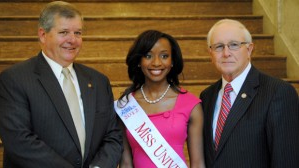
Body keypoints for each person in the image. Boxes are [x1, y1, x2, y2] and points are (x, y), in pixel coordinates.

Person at [0, 1, 122, 168]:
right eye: (64, 32)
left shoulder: (99, 81)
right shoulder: (14, 79)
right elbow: (19, 142)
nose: (72, 40)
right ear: (43, 35)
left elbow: (112, 136)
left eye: (77, 33)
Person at [200, 19, 299, 167]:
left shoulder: (278, 92)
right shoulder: (207, 96)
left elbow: (286, 161)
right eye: (219, 47)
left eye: (234, 45)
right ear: (210, 53)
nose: (226, 53)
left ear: (249, 49)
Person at [114, 30, 205, 168]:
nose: (156, 63)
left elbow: (198, 164)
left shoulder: (191, 104)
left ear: (172, 61)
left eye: (164, 56)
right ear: (139, 61)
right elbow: (126, 164)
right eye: (148, 56)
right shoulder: (126, 106)